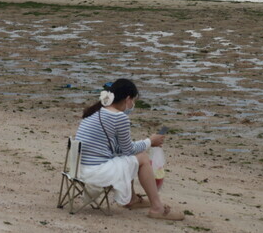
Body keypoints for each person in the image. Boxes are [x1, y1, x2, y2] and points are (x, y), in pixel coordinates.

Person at [75, 78, 183, 221]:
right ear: (127, 99)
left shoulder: (98, 111)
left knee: (134, 156)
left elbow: (119, 148)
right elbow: (128, 150)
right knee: (143, 158)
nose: (133, 105)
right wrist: (150, 141)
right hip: (95, 172)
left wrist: (146, 143)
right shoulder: (118, 117)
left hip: (79, 168)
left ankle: (131, 199)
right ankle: (157, 208)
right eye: (133, 100)